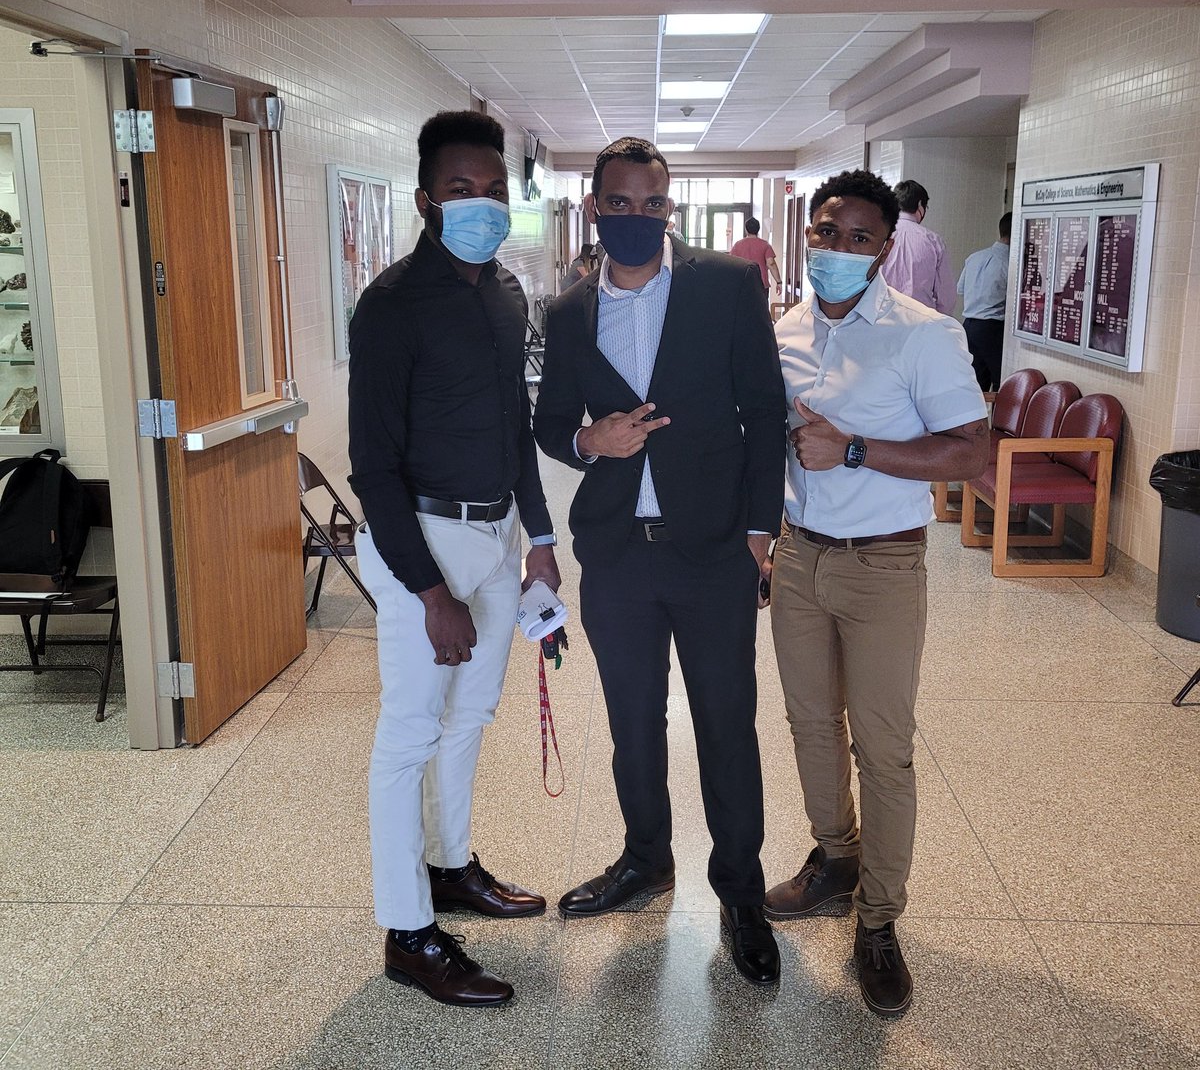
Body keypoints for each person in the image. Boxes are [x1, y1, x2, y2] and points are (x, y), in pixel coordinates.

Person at [534, 136, 786, 985]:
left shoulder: (723, 285)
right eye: (619, 203)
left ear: (669, 210)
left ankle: (741, 893)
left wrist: (761, 532)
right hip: (616, 556)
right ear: (593, 206)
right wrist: (586, 439)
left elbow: (765, 410)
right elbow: (547, 426)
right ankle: (646, 859)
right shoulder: (568, 313)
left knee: (725, 726)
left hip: (713, 548)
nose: (635, 217)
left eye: (652, 204)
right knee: (633, 724)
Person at [348, 110, 561, 1009]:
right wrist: (429, 590)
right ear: (426, 199)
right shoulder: (392, 306)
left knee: (470, 718)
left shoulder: (505, 294)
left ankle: (450, 867)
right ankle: (406, 930)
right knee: (408, 734)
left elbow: (515, 428)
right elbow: (372, 465)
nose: (481, 205)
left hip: (497, 534)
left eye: (494, 192)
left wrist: (542, 541)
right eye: (461, 191)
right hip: (424, 545)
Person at [766, 169, 989, 1017]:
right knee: (810, 723)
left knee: (883, 746)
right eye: (826, 232)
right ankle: (835, 860)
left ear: (885, 249)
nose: (838, 249)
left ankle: (880, 921)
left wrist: (856, 450)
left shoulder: (922, 335)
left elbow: (970, 452)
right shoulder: (782, 331)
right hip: (799, 559)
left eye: (860, 237)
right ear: (807, 235)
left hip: (884, 566)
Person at [879, 179, 955, 315]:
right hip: (920, 320)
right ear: (920, 205)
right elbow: (946, 297)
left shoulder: (880, 235)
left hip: (881, 317)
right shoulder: (933, 241)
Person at [957, 211, 1012, 391]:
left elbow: (961, 289)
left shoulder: (975, 257)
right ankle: (996, 420)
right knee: (1001, 384)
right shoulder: (1012, 262)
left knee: (974, 386)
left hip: (969, 326)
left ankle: (974, 420)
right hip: (993, 329)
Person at [730, 216, 780, 293]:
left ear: (746, 230)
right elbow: (771, 263)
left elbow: (732, 263)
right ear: (758, 229)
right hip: (761, 283)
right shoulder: (765, 245)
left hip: (742, 283)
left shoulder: (737, 245)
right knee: (761, 305)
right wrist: (778, 282)